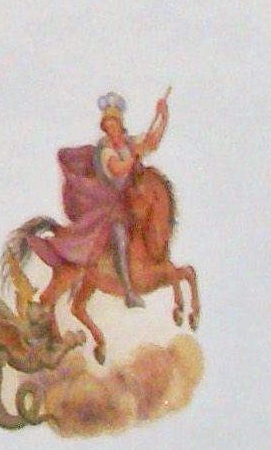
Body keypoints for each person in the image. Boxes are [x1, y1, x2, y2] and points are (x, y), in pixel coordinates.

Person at [28, 91, 170, 308]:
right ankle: (129, 291)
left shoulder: (129, 143)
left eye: (114, 124)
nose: (111, 128)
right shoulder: (104, 151)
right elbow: (117, 168)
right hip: (112, 205)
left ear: (120, 125)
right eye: (107, 125)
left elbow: (152, 140)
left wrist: (163, 116)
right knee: (120, 235)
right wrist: (133, 156)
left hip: (133, 202)